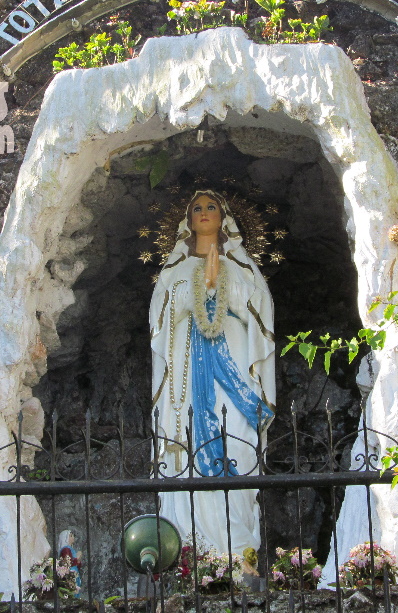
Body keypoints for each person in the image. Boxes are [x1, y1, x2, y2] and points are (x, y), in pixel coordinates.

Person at [149, 190, 276, 553]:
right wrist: (194, 290)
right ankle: (193, 551)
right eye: (197, 208)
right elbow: (158, 322)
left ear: (224, 216)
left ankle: (240, 552)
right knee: (189, 444)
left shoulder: (241, 265)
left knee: (237, 439)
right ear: (187, 219)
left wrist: (223, 284)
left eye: (211, 207)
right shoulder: (173, 270)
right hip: (186, 379)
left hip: (234, 376)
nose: (204, 213)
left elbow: (261, 314)